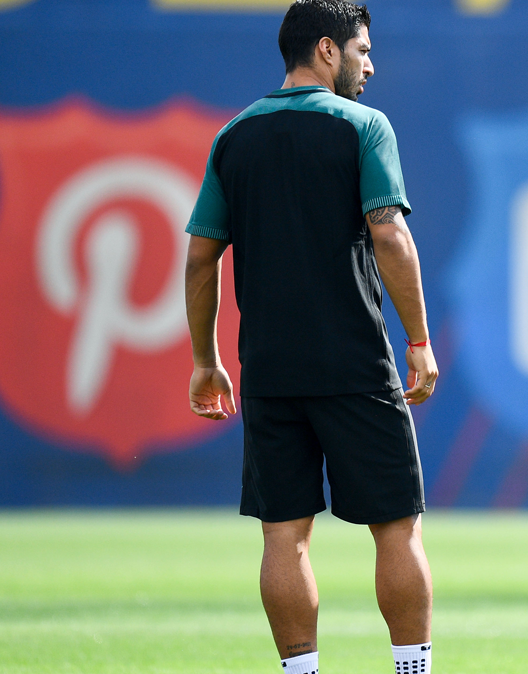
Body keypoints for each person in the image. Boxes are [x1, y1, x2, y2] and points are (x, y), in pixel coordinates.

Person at [182, 2, 438, 673]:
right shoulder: (362, 126)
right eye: (363, 48)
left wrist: (205, 361)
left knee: (284, 537)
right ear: (327, 49)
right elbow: (389, 232)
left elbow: (199, 257)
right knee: (397, 527)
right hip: (354, 363)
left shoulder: (233, 137)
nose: (370, 63)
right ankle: (411, 669)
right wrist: (418, 340)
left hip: (269, 369)